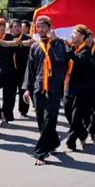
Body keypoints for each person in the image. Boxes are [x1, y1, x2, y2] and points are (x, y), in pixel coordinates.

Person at [23, 15, 66, 165]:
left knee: (49, 120)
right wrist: (27, 89)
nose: (40, 30)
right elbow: (30, 70)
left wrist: (54, 41)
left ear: (49, 28)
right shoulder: (35, 46)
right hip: (38, 87)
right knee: (41, 120)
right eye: (38, 27)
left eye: (43, 27)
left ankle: (40, 153)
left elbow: (61, 59)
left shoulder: (59, 44)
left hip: (54, 88)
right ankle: (53, 143)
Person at [63, 24, 95, 151]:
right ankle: (83, 133)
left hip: (81, 88)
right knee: (67, 112)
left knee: (76, 116)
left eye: (75, 33)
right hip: (68, 85)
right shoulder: (72, 48)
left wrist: (69, 50)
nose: (72, 35)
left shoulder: (86, 50)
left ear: (82, 36)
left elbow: (79, 60)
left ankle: (71, 141)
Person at [0, 18, 17, 123]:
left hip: (9, 68)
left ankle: (7, 114)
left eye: (2, 25)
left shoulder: (10, 37)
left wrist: (17, 42)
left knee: (9, 94)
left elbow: (17, 48)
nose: (0, 27)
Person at [10, 19, 32, 118]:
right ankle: (8, 113)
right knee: (10, 92)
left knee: (23, 90)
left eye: (19, 26)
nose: (17, 28)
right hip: (11, 69)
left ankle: (23, 112)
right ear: (11, 28)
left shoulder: (27, 38)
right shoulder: (8, 38)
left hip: (23, 68)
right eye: (14, 26)